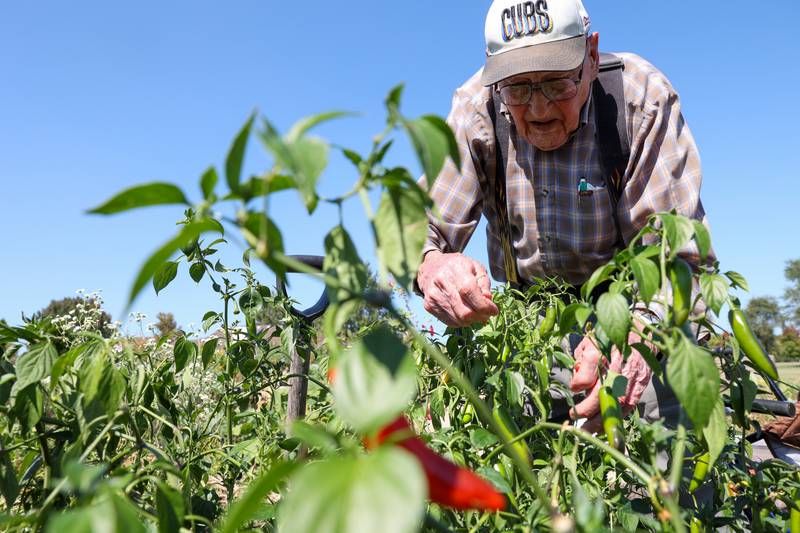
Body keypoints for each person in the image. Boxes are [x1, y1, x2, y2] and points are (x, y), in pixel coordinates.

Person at [415, 0, 712, 430]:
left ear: (591, 57)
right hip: (529, 317)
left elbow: (676, 257)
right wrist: (432, 263)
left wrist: (636, 336)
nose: (538, 109)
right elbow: (420, 229)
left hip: (635, 308)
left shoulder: (637, 98)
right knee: (525, 473)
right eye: (517, 89)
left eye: (556, 83)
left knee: (668, 467)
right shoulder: (476, 107)